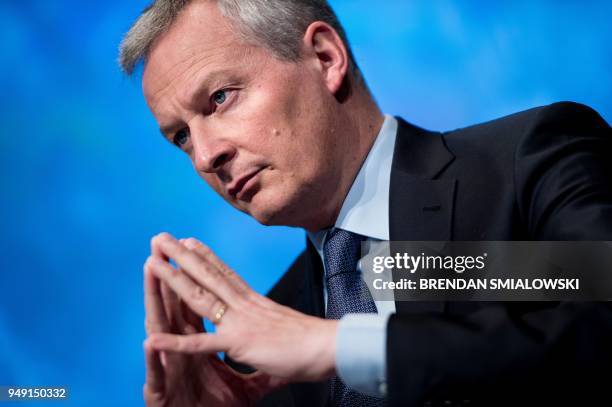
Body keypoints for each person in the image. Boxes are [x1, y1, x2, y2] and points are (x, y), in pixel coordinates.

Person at [118, 1, 612, 406]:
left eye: (221, 98)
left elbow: (595, 321)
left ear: (326, 58)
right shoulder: (256, 353)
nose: (206, 155)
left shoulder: (527, 161)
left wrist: (336, 346)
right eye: (181, 136)